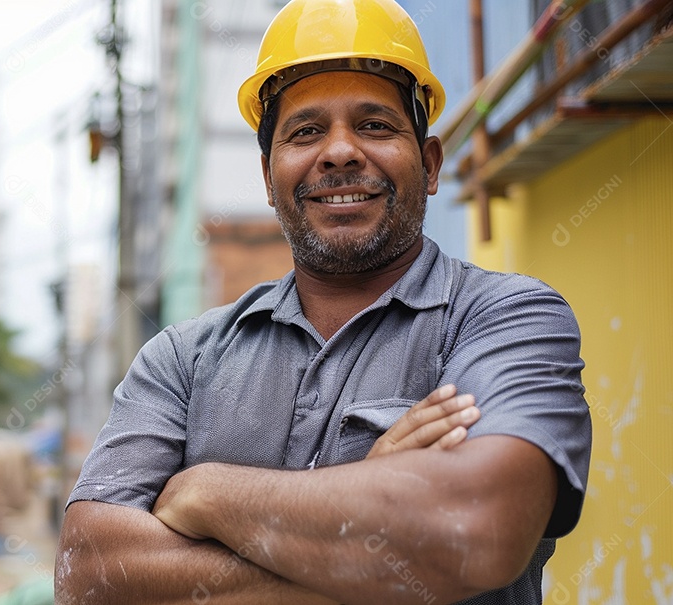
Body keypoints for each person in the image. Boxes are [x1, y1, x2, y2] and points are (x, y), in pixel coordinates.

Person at [55, 0, 592, 602]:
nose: (339, 152)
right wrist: (368, 515)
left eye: (375, 125)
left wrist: (203, 493)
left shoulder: (508, 320)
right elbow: (89, 573)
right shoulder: (182, 360)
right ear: (267, 176)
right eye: (306, 131)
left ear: (431, 163)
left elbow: (479, 529)